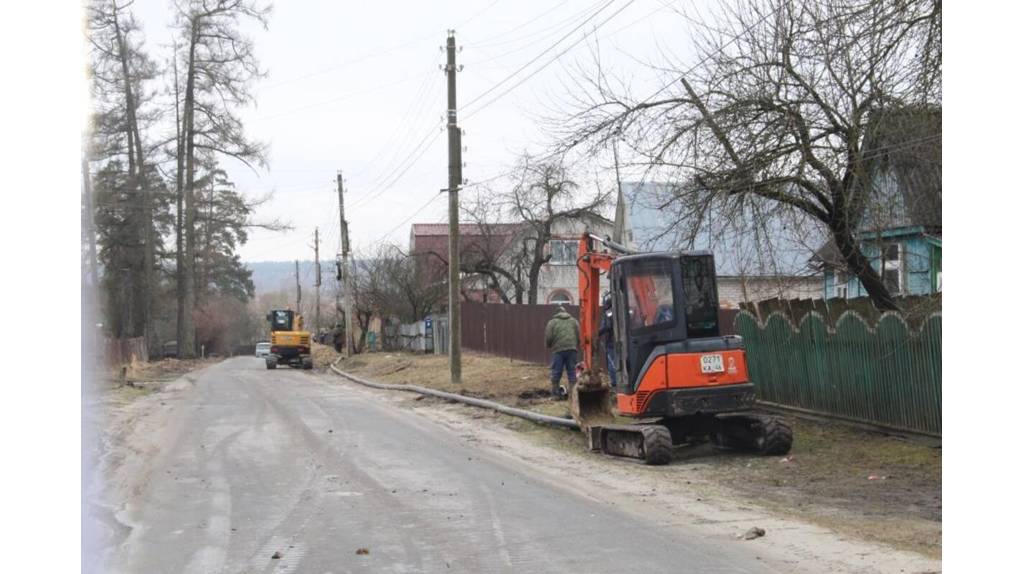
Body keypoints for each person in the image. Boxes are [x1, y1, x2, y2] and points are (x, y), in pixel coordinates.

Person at [544, 305, 580, 400]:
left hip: (558, 350)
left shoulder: (552, 322)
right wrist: (576, 344)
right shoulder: (574, 321)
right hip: (572, 349)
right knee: (572, 372)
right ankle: (573, 395)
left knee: (556, 372)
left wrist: (548, 345)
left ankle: (556, 395)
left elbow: (548, 336)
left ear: (556, 313)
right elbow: (579, 334)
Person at [597, 294, 618, 387]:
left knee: (612, 364)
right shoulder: (620, 311)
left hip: (611, 342)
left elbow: (607, 326)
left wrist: (597, 333)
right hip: (620, 342)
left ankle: (614, 383)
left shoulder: (608, 313)